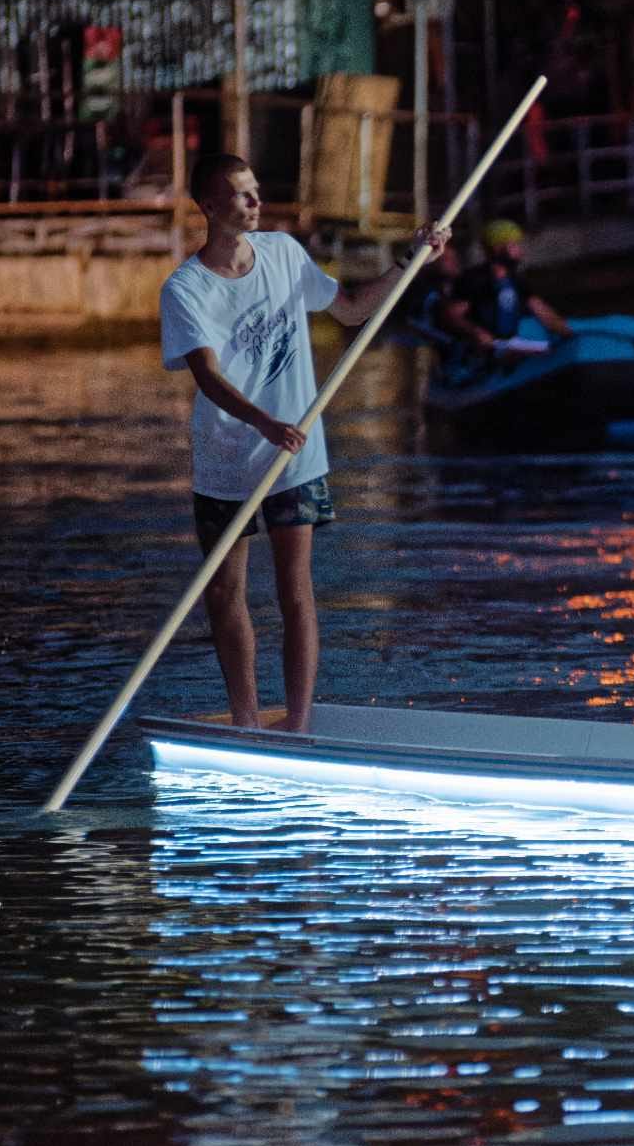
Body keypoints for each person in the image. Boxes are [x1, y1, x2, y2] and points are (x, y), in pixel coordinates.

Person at [159, 152, 447, 733]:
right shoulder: (186, 289)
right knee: (225, 594)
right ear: (209, 206)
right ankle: (245, 722)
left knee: (296, 589)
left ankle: (297, 720)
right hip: (226, 459)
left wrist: (408, 261)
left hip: (295, 454)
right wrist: (262, 421)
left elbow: (350, 311)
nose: (254, 202)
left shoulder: (285, 255)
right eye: (240, 194)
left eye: (256, 191)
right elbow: (208, 375)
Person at [445, 218, 571, 357]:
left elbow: (543, 312)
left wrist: (569, 335)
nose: (520, 251)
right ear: (498, 248)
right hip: (482, 349)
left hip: (510, 344)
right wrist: (476, 332)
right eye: (515, 245)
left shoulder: (516, 280)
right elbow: (452, 316)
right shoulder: (473, 280)